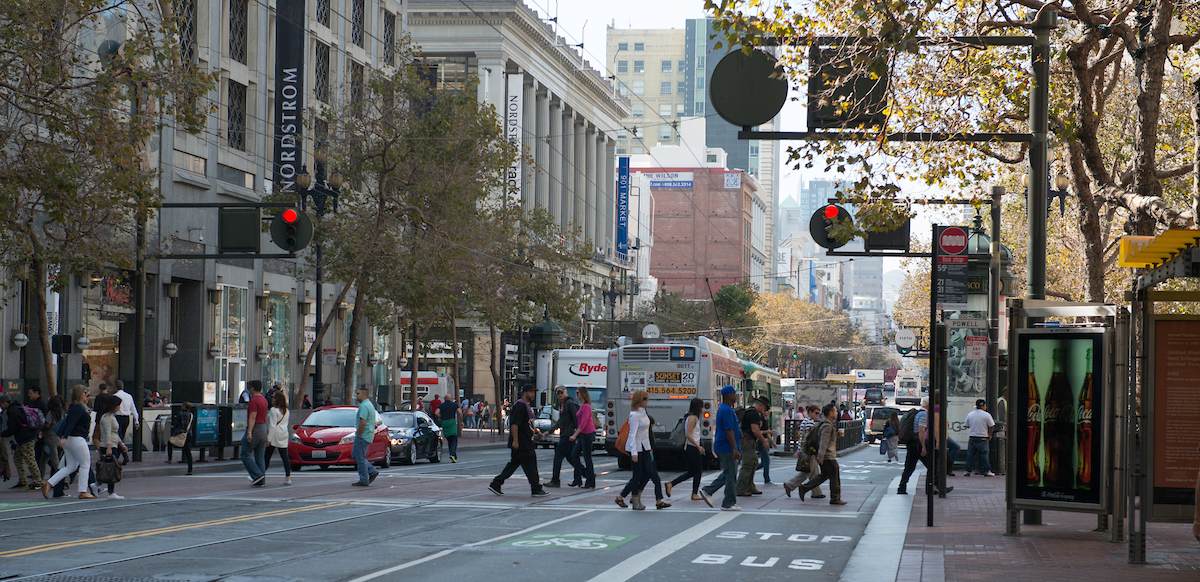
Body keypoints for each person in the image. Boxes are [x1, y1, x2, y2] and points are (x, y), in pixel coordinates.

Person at [488, 384, 548, 497]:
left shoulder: (525, 406)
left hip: (524, 441)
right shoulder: (520, 406)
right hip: (522, 442)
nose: (533, 394)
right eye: (531, 392)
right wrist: (515, 440)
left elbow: (527, 424)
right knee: (530, 464)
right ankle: (535, 488)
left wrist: (536, 431)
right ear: (525, 393)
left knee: (514, 464)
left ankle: (496, 483)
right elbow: (515, 425)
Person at [616, 389, 668, 510]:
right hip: (636, 448)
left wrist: (649, 448)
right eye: (645, 399)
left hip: (644, 447)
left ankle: (626, 496)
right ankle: (635, 500)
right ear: (639, 400)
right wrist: (634, 452)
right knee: (637, 474)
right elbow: (632, 434)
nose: (647, 401)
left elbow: (645, 434)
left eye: (647, 398)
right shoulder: (634, 415)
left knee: (649, 472)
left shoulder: (643, 413)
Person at [43, 386, 97, 499]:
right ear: (80, 394)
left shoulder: (73, 407)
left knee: (71, 466)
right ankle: (83, 491)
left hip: (70, 440)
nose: (87, 395)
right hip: (77, 439)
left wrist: (65, 438)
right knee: (85, 464)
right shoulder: (78, 408)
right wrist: (65, 437)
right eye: (85, 393)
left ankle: (49, 483)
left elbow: (70, 423)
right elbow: (71, 424)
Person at [793, 404, 848, 505]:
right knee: (834, 475)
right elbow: (823, 441)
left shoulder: (826, 424)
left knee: (824, 475)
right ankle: (835, 498)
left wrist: (836, 436)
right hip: (827, 456)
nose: (837, 413)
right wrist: (821, 456)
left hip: (825, 455)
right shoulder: (827, 425)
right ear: (830, 413)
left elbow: (826, 439)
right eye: (835, 411)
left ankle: (804, 488)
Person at [700, 385, 743, 511]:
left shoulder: (724, 409)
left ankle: (708, 490)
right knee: (731, 476)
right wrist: (735, 449)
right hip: (727, 447)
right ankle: (728, 502)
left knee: (728, 473)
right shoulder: (727, 411)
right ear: (729, 395)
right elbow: (729, 431)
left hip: (724, 446)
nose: (736, 396)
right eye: (734, 394)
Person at [897, 397, 953, 495]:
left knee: (909, 467)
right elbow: (921, 430)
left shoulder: (917, 413)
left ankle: (902, 487)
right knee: (933, 466)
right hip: (918, 443)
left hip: (911, 443)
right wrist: (923, 446)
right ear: (928, 405)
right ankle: (934, 487)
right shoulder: (923, 414)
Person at [666, 397, 706, 500]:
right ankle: (694, 493)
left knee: (691, 472)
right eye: (701, 406)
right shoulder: (692, 418)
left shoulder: (691, 416)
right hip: (691, 447)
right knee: (698, 470)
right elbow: (688, 434)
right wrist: (698, 446)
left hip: (691, 447)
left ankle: (671, 484)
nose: (702, 409)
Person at [1, 394, 43, 490]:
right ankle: (23, 481)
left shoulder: (12, 411)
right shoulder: (17, 408)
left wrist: (3, 434)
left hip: (26, 438)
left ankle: (38, 482)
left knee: (29, 459)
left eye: (0, 404)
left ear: (5, 402)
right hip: (26, 437)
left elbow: (13, 427)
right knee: (17, 458)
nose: (0, 406)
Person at [785, 405, 825, 499]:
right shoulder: (810, 423)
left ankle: (816, 492)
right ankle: (790, 485)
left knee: (814, 473)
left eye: (818, 413)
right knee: (807, 472)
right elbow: (810, 438)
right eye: (816, 413)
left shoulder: (805, 421)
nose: (817, 415)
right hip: (808, 451)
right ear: (810, 412)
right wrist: (813, 451)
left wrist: (799, 450)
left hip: (805, 450)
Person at [545, 387, 581, 487]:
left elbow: (575, 418)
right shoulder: (563, 404)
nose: (560, 394)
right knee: (571, 458)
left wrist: (576, 434)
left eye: (562, 392)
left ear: (566, 392)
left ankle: (555, 480)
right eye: (558, 393)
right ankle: (586, 474)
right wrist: (550, 431)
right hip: (566, 435)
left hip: (567, 435)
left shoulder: (569, 403)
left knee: (558, 457)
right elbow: (561, 422)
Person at [94, 396, 127, 499]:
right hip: (108, 445)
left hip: (113, 444)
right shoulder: (107, 418)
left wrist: (121, 444)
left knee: (110, 468)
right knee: (111, 468)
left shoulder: (111, 416)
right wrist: (109, 447)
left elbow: (114, 433)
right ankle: (109, 491)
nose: (119, 407)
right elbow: (108, 433)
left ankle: (99, 486)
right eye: (118, 405)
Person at [737, 396, 770, 496]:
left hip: (748, 439)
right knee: (748, 464)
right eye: (764, 408)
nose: (764, 410)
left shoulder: (751, 411)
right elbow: (755, 429)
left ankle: (750, 486)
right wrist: (764, 441)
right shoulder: (753, 413)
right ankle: (741, 489)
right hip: (747, 440)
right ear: (761, 405)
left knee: (754, 462)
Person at [240, 380, 269, 487]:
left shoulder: (254, 401)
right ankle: (262, 479)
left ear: (252, 388)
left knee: (245, 454)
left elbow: (252, 417)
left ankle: (257, 475)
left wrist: (249, 432)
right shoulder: (264, 400)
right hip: (263, 429)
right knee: (260, 456)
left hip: (255, 428)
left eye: (250, 387)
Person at [569, 387, 597, 489]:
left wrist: (575, 435)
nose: (576, 394)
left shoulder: (586, 406)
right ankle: (579, 479)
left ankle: (590, 482)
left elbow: (584, 423)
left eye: (578, 392)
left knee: (587, 457)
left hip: (588, 433)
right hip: (584, 434)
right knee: (574, 454)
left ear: (583, 394)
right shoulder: (581, 405)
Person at [351, 386, 380, 487]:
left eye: (358, 393)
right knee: (355, 455)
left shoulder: (364, 406)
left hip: (363, 435)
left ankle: (364, 479)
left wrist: (359, 434)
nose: (356, 396)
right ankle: (372, 471)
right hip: (367, 434)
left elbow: (362, 422)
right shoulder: (369, 404)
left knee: (360, 457)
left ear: (363, 395)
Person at [265, 391, 293, 485]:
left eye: (273, 397)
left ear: (276, 399)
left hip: (275, 434)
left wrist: (269, 439)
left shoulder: (273, 410)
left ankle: (260, 474)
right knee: (284, 456)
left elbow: (272, 426)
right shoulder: (286, 410)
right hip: (284, 433)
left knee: (267, 455)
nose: (271, 399)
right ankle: (288, 477)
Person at [963, 399, 995, 476]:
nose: (986, 407)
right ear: (982, 406)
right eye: (985, 405)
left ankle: (967, 470)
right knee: (984, 455)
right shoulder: (987, 415)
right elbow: (991, 426)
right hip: (983, 437)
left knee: (970, 455)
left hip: (972, 437)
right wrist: (990, 434)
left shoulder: (970, 414)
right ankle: (986, 471)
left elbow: (966, 425)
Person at [111, 380, 139, 465]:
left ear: (115, 387)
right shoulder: (129, 396)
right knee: (121, 436)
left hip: (117, 418)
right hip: (127, 418)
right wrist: (136, 420)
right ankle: (119, 456)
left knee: (118, 438)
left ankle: (124, 455)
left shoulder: (115, 396)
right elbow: (134, 409)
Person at [166, 402, 195, 475]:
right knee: (188, 452)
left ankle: (170, 458)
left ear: (184, 406)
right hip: (188, 434)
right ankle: (190, 469)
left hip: (180, 433)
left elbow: (176, 424)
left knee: (170, 442)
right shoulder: (191, 415)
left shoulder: (180, 413)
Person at [40, 395, 64, 481]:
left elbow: (47, 424)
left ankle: (62, 481)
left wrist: (41, 425)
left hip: (50, 439)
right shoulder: (60, 412)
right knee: (43, 459)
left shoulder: (50, 413)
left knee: (55, 462)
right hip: (57, 438)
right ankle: (40, 477)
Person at [437, 390, 461, 463]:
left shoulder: (441, 405)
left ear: (444, 399)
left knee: (449, 439)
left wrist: (441, 417)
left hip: (444, 422)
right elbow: (459, 412)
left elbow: (436, 413)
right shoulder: (455, 405)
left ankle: (453, 454)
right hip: (451, 422)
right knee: (454, 439)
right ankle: (452, 454)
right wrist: (461, 421)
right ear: (451, 399)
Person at [758, 401, 776, 485]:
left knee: (763, 462)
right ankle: (767, 479)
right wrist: (767, 431)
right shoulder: (761, 419)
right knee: (766, 461)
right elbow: (758, 431)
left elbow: (767, 434)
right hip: (761, 442)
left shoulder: (766, 419)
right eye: (767, 410)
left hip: (765, 441)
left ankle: (750, 469)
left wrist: (773, 442)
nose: (768, 412)